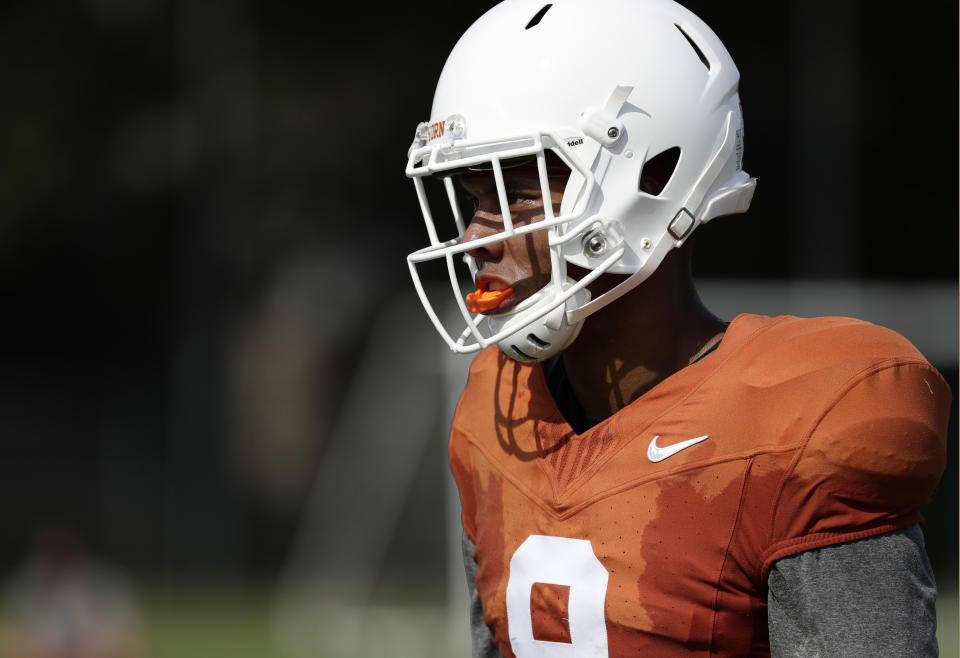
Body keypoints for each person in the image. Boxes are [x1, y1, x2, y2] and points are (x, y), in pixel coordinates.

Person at [403, 1, 950, 655]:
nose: (475, 240)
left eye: (516, 194)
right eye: (473, 201)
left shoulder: (792, 423)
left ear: (653, 176)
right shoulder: (498, 417)